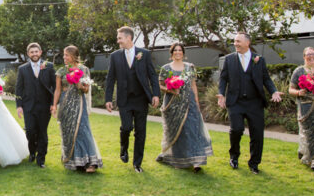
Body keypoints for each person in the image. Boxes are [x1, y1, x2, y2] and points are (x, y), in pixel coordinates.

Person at [217, 32, 283, 174]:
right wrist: (221, 94)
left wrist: (274, 91)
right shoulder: (229, 60)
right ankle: (234, 157)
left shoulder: (259, 60)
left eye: (238, 41)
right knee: (236, 129)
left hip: (255, 103)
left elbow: (266, 79)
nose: (235, 44)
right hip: (235, 102)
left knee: (257, 134)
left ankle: (254, 163)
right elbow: (223, 79)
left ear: (248, 43)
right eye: (234, 41)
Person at [104, 26, 160, 172]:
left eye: (119, 38)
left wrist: (155, 94)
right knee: (127, 127)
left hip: (141, 99)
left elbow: (153, 75)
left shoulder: (144, 54)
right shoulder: (115, 56)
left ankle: (137, 163)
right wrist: (108, 99)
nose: (118, 41)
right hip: (124, 99)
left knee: (141, 132)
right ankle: (124, 148)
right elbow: (110, 79)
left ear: (128, 38)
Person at [156, 43, 213, 172]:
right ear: (171, 53)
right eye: (175, 50)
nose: (177, 52)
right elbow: (160, 85)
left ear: (183, 53)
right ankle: (176, 158)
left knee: (193, 131)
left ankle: (196, 161)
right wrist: (171, 90)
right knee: (177, 133)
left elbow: (193, 85)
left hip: (190, 103)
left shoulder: (190, 67)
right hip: (173, 105)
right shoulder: (166, 68)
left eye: (180, 50)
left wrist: (197, 101)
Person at [52, 45, 103, 172]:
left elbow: (86, 89)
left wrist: (80, 85)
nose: (64, 57)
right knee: (68, 131)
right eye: (64, 55)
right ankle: (74, 161)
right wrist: (54, 105)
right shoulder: (61, 72)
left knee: (82, 130)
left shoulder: (83, 69)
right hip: (65, 104)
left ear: (74, 56)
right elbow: (57, 90)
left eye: (66, 55)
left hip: (79, 104)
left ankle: (90, 162)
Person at [14, 42, 55, 167]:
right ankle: (32, 152)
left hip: (45, 106)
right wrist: (19, 105)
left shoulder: (49, 66)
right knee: (30, 131)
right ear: (28, 54)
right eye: (32, 52)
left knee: (42, 132)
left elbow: (55, 86)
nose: (34, 54)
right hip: (28, 106)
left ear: (40, 52)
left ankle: (41, 159)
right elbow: (18, 89)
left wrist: (53, 104)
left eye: (36, 51)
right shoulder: (22, 69)